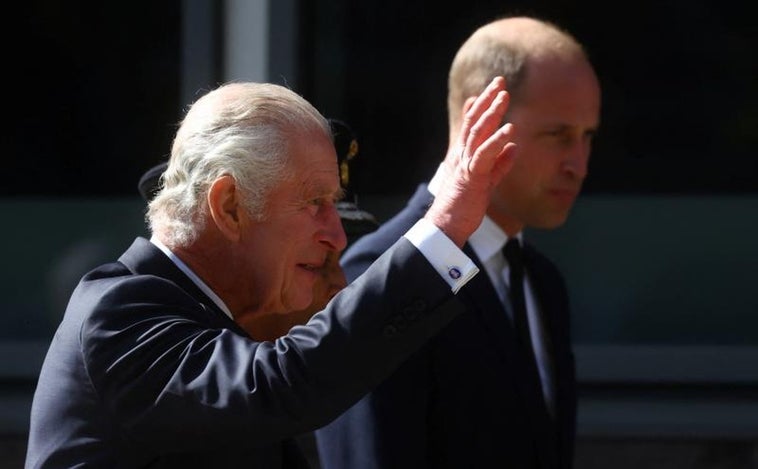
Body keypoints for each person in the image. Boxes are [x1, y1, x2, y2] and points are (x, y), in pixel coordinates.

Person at [25, 77, 517, 468]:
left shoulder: (219, 331)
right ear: (230, 206)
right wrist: (443, 228)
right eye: (315, 203)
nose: (338, 238)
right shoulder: (119, 314)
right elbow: (281, 383)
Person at [315, 16, 601, 469]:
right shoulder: (381, 270)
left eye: (587, 137)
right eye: (558, 135)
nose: (579, 164)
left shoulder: (542, 283)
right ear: (481, 120)